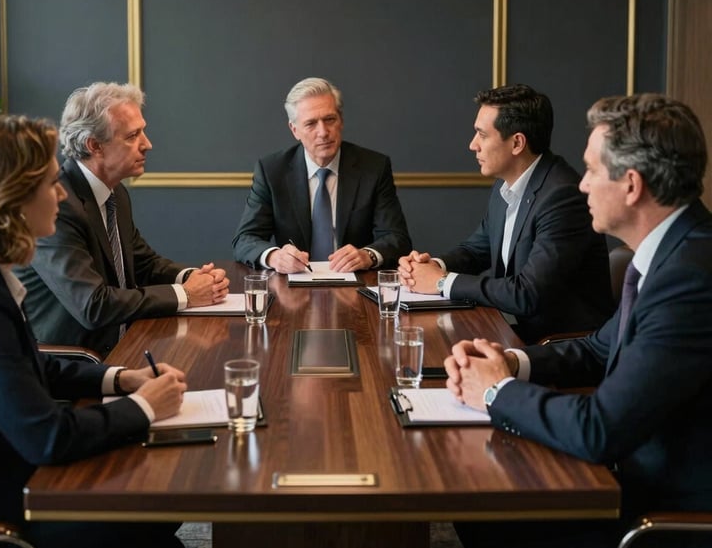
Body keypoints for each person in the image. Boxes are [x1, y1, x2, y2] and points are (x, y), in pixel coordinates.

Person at [446, 93, 712, 547]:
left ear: (631, 185)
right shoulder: (674, 252)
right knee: (476, 502)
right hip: (628, 472)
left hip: (658, 509)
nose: (581, 185)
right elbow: (598, 347)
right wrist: (510, 363)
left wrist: (494, 390)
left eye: (591, 171)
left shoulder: (690, 277)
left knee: (482, 507)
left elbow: (600, 429)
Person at [0, 114, 188, 548]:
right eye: (51, 183)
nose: (61, 194)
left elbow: (25, 363)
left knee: (159, 510)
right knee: (154, 516)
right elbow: (48, 436)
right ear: (11, 196)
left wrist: (119, 378)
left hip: (17, 468)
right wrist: (144, 407)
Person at [15, 82, 229, 357]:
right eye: (132, 136)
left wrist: (194, 278)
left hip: (126, 345)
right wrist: (186, 294)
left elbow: (144, 263)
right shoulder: (56, 205)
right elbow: (93, 305)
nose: (148, 144)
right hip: (75, 363)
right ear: (95, 145)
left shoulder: (115, 192)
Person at [398, 84, 612, 343]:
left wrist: (442, 282)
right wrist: (432, 266)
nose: (472, 145)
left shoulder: (562, 197)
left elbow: (527, 294)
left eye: (482, 135)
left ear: (517, 143)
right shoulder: (507, 182)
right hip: (511, 329)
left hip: (557, 346)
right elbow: (477, 250)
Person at [232, 77, 412, 273]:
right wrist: (275, 257)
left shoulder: (373, 167)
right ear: (295, 130)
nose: (323, 132)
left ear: (341, 121)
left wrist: (367, 255)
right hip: (294, 286)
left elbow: (397, 238)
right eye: (310, 124)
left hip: (356, 285)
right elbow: (245, 239)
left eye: (329, 119)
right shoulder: (272, 171)